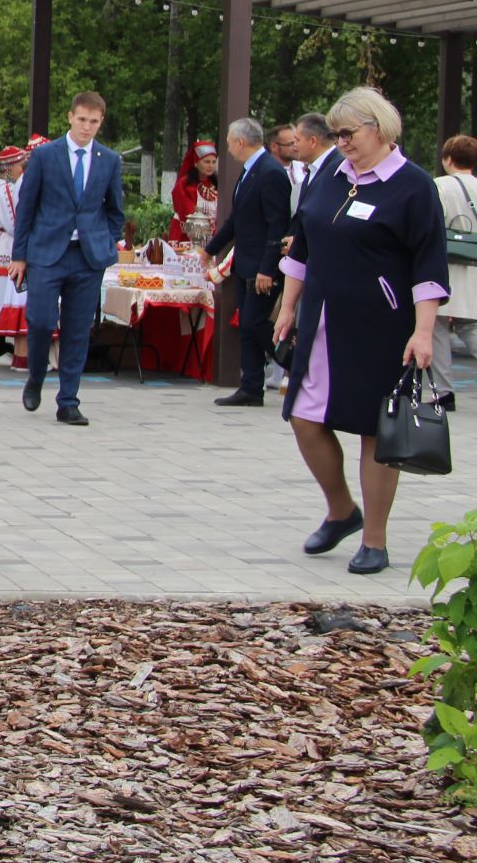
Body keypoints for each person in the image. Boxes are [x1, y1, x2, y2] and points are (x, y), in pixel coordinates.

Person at [273, 88, 446, 576]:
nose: (340, 142)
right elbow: (302, 244)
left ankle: (375, 540)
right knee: (305, 417)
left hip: (382, 325)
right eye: (336, 134)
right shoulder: (330, 174)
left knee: (375, 430)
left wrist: (424, 331)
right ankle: (341, 510)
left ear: (379, 128)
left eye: (348, 133)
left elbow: (429, 266)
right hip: (323, 320)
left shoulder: (412, 186)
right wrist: (288, 307)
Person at [11, 92, 125, 426]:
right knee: (42, 320)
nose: (87, 127)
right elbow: (27, 207)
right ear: (70, 117)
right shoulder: (46, 155)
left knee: (78, 329)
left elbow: (115, 210)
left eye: (94, 121)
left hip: (87, 256)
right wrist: (20, 255)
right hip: (47, 252)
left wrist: (107, 242)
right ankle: (35, 377)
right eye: (82, 120)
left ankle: (69, 401)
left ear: (101, 121)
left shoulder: (109, 159)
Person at [200, 118, 291, 407]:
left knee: (254, 324)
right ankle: (251, 386)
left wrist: (268, 267)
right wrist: (210, 249)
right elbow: (238, 220)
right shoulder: (250, 171)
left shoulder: (270, 172)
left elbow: (278, 224)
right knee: (248, 326)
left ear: (241, 142)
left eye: (229, 143)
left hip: (262, 268)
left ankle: (299, 364)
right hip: (246, 263)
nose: (228, 149)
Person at [431, 134, 477, 403]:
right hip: (473, 267)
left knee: (435, 327)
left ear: (448, 158)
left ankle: (443, 390)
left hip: (446, 265)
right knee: (470, 326)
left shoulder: (439, 186)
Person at [0, 146, 29, 356]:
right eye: (21, 165)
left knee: (1, 292)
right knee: (3, 292)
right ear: (11, 167)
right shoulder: (4, 190)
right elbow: (14, 222)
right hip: (7, 244)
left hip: (1, 242)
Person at [166, 139, 220, 244]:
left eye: (213, 162)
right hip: (185, 236)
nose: (211, 166)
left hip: (212, 238)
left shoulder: (217, 185)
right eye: (206, 162)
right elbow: (187, 214)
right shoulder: (184, 184)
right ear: (196, 163)